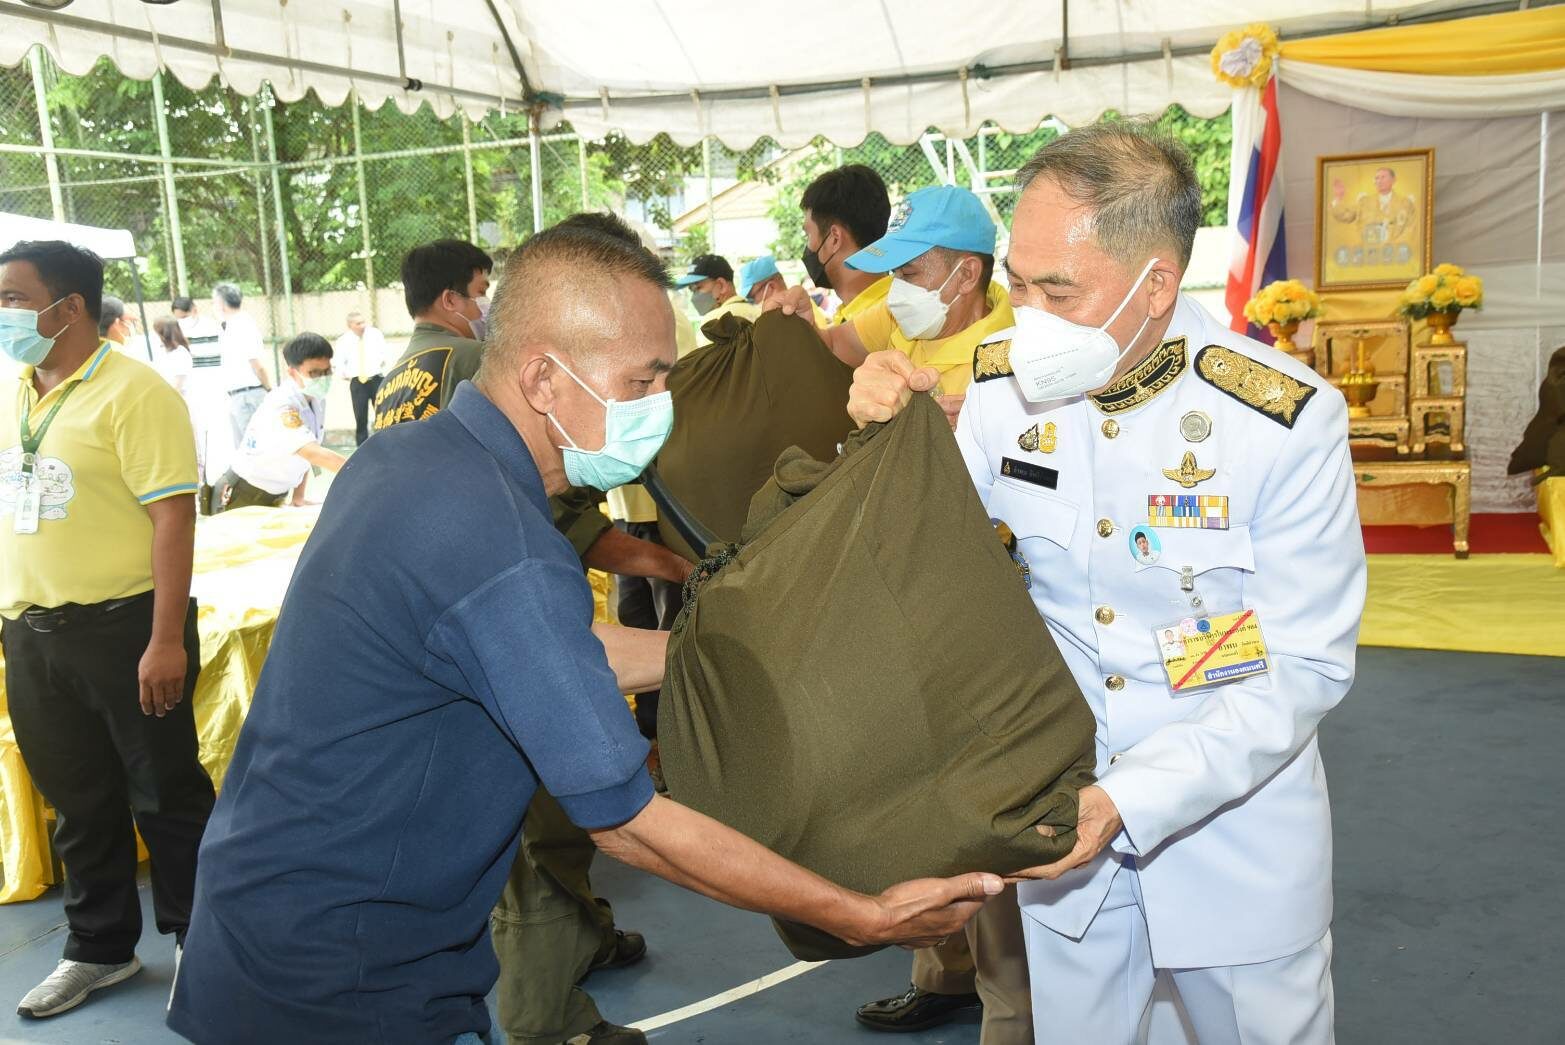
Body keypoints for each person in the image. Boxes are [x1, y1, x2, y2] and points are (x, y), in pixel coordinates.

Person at [165, 221, 1000, 1045]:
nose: (659, 406)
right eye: (642, 380)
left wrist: (733, 654)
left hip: (265, 926)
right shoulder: (500, 538)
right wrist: (859, 913)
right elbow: (626, 819)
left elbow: (534, 650)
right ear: (543, 378)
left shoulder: (407, 460)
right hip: (348, 982)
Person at [845, 120, 1365, 1044]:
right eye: (1016, 280)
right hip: (1060, 844)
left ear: (1156, 284)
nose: (1026, 311)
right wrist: (883, 438)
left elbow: (1300, 663)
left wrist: (1128, 797)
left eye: (1058, 288)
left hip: (1231, 842)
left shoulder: (1278, 419)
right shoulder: (1002, 390)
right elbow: (918, 559)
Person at [781, 184, 1028, 1043]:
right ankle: (944, 970)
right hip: (910, 599)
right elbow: (829, 350)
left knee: (993, 818)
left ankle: (1010, 1012)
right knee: (918, 795)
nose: (894, 290)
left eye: (912, 271)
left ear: (964, 274)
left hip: (996, 608)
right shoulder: (902, 326)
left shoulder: (1017, 349)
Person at [0, 240, 214, 1019]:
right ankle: (100, 948)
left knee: (165, 790)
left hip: (126, 628)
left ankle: (201, 941)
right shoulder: (14, 390)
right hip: (30, 633)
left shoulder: (135, 392)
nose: (3, 313)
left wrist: (165, 639)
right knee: (77, 799)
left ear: (70, 307)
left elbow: (173, 518)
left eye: (13, 298)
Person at [214, 332, 345, 512]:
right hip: (243, 495)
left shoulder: (316, 398)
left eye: (327, 371)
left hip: (274, 495)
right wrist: (364, 470)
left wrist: (299, 498)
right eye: (314, 373)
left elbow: (305, 454)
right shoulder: (282, 404)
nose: (323, 378)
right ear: (292, 372)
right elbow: (313, 453)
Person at [372, 239, 493, 431]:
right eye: (482, 292)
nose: (487, 305)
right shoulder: (475, 357)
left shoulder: (387, 385)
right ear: (450, 300)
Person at [800, 163, 893, 326]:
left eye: (808, 234)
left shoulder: (884, 321)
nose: (807, 247)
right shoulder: (852, 313)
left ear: (834, 239)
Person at [211, 282, 272, 445]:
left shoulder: (243, 324)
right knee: (246, 449)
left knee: (255, 446)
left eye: (214, 301)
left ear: (222, 304)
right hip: (239, 395)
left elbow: (257, 363)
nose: (213, 305)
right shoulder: (230, 325)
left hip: (249, 395)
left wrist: (268, 388)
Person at [1330, 166, 1418, 266]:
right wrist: (1338, 198)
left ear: (1393, 180)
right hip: (1367, 258)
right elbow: (1346, 216)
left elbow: (1411, 230)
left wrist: (1393, 248)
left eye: (1383, 177)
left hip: (1395, 258)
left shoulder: (1405, 203)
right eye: (1377, 178)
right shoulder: (1365, 201)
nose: (1379, 181)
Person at [672, 254, 759, 347]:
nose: (694, 297)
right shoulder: (759, 312)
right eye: (692, 290)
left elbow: (704, 360)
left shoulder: (713, 321)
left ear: (721, 285)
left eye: (698, 287)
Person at [334, 310, 387, 445]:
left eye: (363, 322)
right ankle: (362, 447)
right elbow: (338, 362)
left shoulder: (375, 335)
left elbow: (384, 354)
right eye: (358, 323)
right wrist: (345, 374)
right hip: (358, 382)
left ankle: (386, 442)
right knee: (360, 416)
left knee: (383, 414)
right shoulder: (343, 340)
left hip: (376, 379)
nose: (362, 325)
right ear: (350, 325)